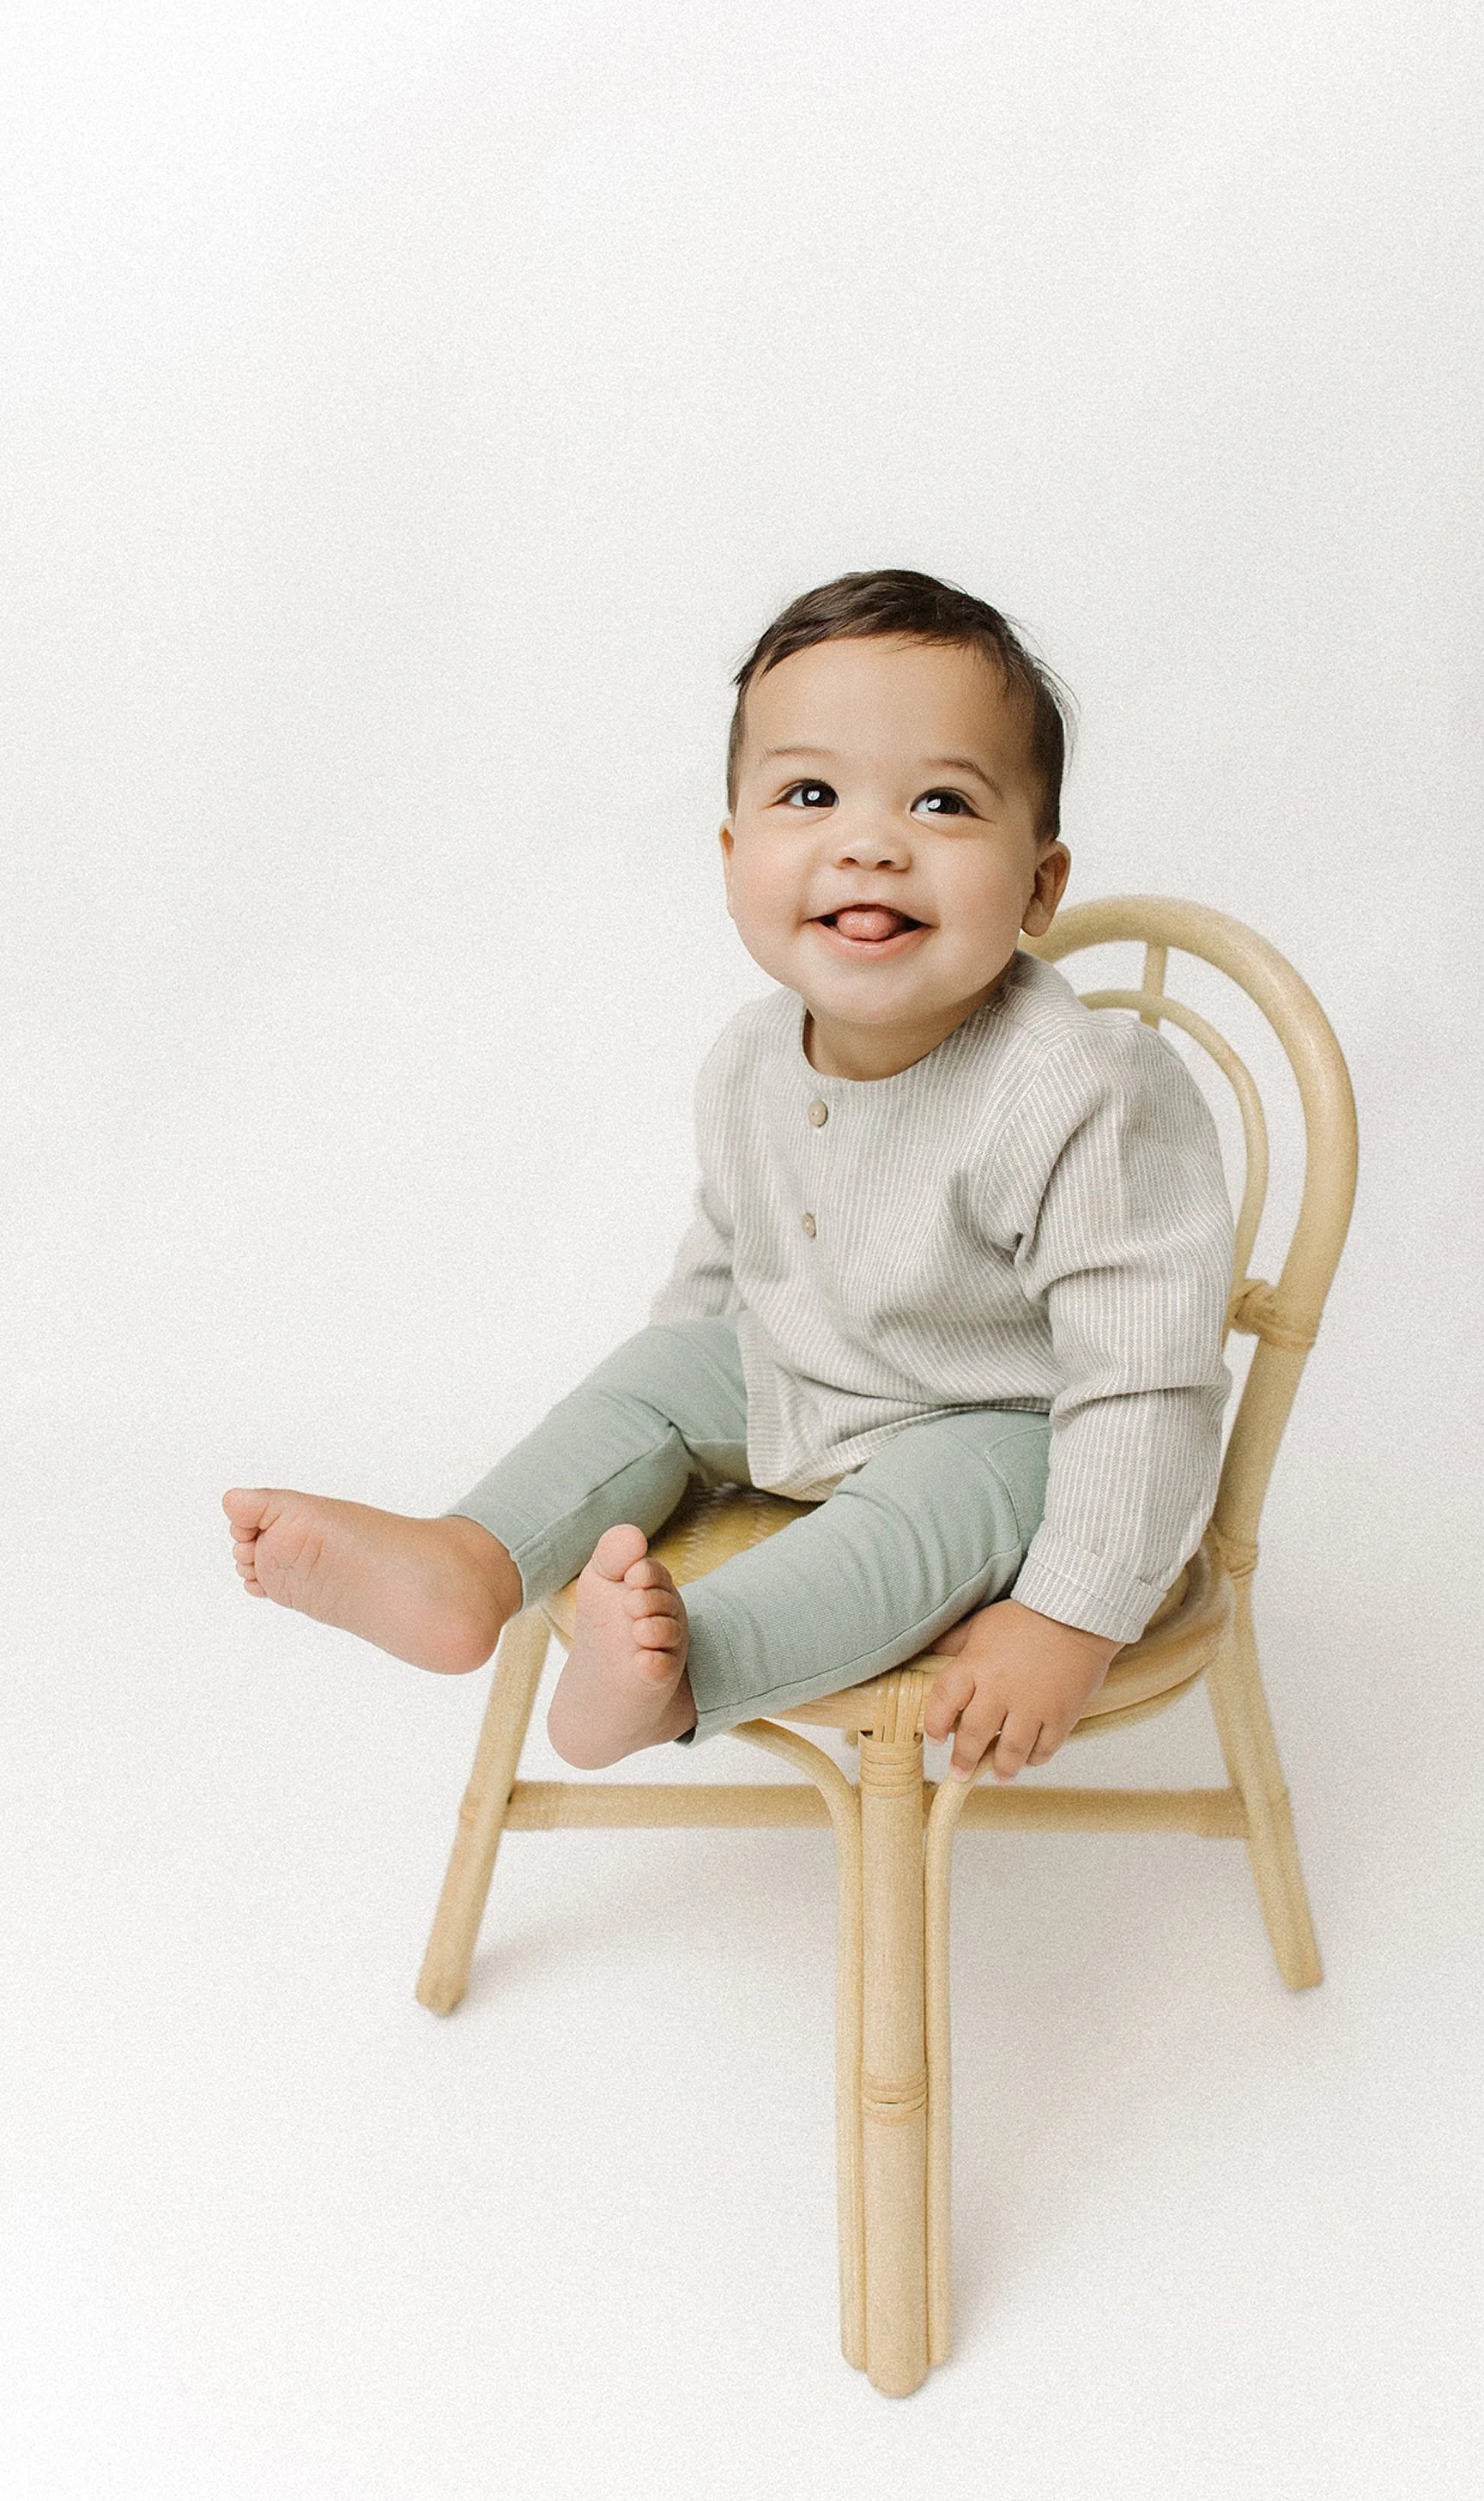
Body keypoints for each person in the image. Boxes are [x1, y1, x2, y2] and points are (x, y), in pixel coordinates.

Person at [224, 570, 1233, 1784]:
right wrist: (669, 1430)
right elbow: (734, 1248)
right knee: (663, 1370)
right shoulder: (754, 1053)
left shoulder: (1079, 1087)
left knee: (927, 1507)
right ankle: (472, 1562)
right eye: (810, 794)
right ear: (733, 854)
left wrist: (1070, 1619)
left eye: (944, 802)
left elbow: (1146, 1380)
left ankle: (689, 1667)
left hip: (1007, 1426)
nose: (870, 842)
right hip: (808, 1377)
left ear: (1038, 885)